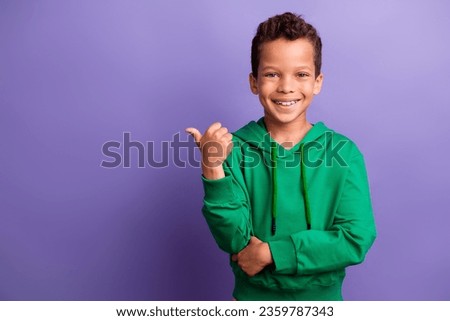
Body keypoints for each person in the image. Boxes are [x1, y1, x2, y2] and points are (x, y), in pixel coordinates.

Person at [186, 12, 376, 301]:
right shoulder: (234, 149)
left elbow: (355, 238)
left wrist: (272, 252)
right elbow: (234, 240)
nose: (286, 86)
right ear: (254, 82)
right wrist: (212, 168)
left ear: (317, 82)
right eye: (272, 74)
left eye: (301, 74)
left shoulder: (343, 153)